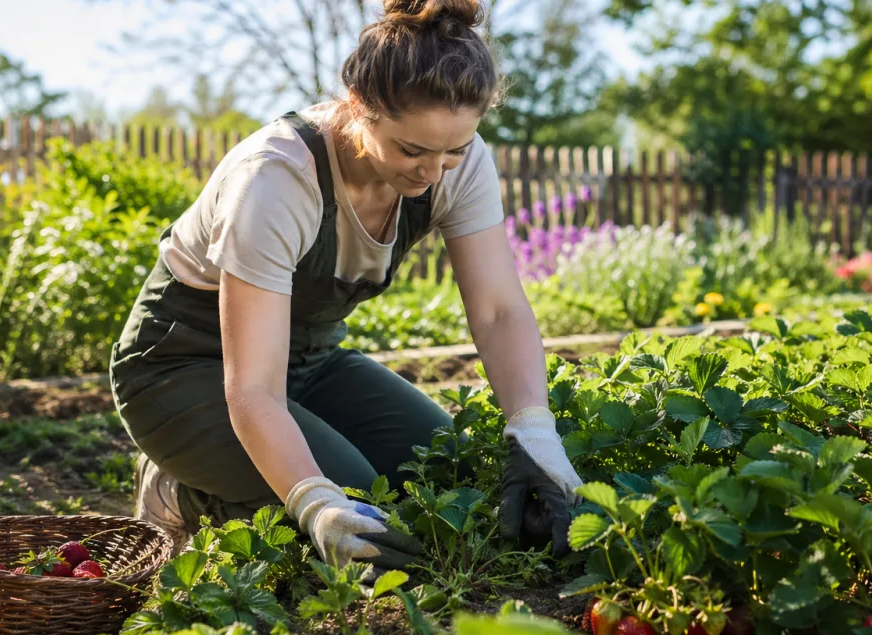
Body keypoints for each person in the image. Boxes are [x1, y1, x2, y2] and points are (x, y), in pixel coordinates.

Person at [109, 0, 583, 572]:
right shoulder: (277, 179)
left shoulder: (458, 165)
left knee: (446, 470)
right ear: (358, 106)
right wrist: (315, 503)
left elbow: (498, 310)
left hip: (308, 364)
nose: (433, 171)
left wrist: (535, 433)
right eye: (411, 149)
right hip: (183, 369)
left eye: (454, 151)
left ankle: (252, 477)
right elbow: (252, 388)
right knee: (354, 502)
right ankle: (181, 490)